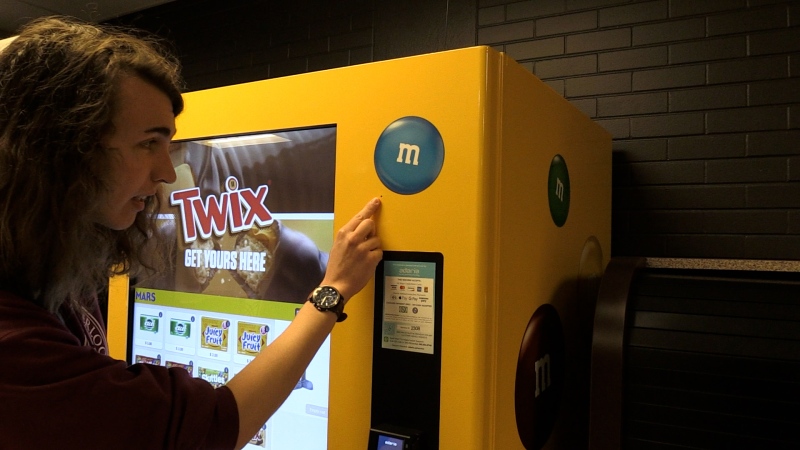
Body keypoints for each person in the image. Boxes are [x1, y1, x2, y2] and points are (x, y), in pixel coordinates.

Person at [0, 16, 383, 449]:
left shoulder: (53, 265)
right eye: (149, 143)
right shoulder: (15, 347)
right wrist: (330, 292)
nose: (167, 171)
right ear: (64, 150)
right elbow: (214, 425)